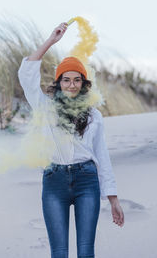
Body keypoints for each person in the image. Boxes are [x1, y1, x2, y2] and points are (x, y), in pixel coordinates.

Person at [18, 22, 124, 258]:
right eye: (66, 80)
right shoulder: (45, 107)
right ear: (58, 83)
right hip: (54, 181)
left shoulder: (94, 115)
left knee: (86, 251)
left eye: (77, 80)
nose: (72, 85)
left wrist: (113, 199)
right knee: (59, 252)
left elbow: (102, 157)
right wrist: (50, 41)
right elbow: (26, 75)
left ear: (84, 84)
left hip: (87, 180)